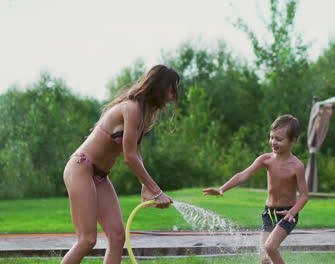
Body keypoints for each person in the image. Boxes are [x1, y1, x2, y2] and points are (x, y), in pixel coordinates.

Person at [62, 65, 179, 264]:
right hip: (81, 168)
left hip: (99, 176)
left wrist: (146, 187)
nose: (173, 95)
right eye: (171, 89)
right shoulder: (131, 108)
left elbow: (137, 153)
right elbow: (129, 157)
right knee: (87, 240)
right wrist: (157, 191)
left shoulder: (144, 113)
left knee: (117, 237)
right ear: (159, 86)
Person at [203, 114, 308, 264]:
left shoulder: (297, 166)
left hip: (287, 214)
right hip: (268, 213)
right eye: (272, 137)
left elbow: (304, 196)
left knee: (270, 248)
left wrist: (293, 211)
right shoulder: (266, 160)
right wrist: (222, 189)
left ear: (293, 141)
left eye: (279, 139)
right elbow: (243, 175)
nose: (273, 142)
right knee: (265, 259)